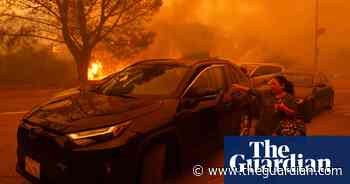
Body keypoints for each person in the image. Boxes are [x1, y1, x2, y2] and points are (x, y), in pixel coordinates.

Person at [232, 75, 306, 136]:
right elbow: (251, 91)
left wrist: (284, 108)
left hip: (278, 131)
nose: (271, 86)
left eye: (274, 84)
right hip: (261, 129)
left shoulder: (289, 98)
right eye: (270, 84)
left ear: (282, 86)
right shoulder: (266, 93)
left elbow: (294, 114)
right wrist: (238, 87)